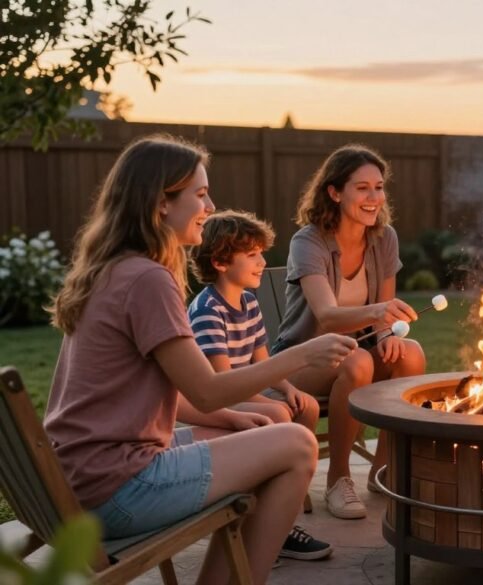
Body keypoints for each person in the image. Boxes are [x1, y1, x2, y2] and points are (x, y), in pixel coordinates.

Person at [44, 134, 355, 584]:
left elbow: (182, 395)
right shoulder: (147, 280)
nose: (210, 206)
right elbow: (207, 390)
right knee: (297, 445)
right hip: (117, 489)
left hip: (80, 478)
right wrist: (302, 354)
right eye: (201, 194)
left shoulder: (114, 268)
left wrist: (231, 420)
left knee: (260, 427)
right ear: (161, 203)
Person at [273, 144, 426, 520]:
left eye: (379, 187)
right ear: (335, 192)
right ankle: (338, 479)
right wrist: (379, 312)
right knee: (356, 361)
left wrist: (388, 334)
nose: (374, 198)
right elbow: (326, 316)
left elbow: (383, 320)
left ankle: (383, 470)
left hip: (356, 355)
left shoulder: (383, 238)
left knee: (412, 352)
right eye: (362, 188)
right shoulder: (308, 241)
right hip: (301, 360)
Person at [184, 209, 331, 560]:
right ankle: (271, 526)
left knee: (303, 405)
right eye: (252, 255)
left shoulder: (248, 302)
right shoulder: (208, 309)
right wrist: (274, 401)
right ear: (220, 262)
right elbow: (223, 382)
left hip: (241, 389)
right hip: (215, 400)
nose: (262, 262)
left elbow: (263, 364)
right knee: (278, 413)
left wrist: (292, 389)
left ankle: (282, 511)